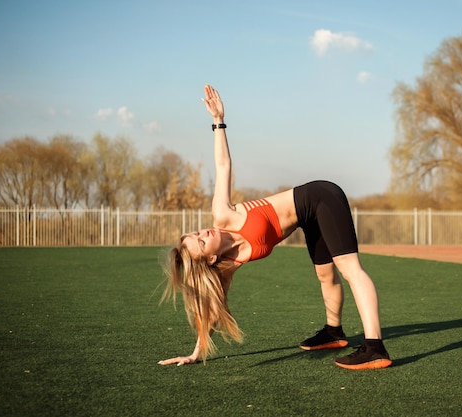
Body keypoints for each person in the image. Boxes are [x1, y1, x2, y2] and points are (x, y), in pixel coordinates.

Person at [157, 85, 392, 370]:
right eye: (202, 242)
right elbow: (211, 306)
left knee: (350, 269)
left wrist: (218, 120)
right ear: (210, 259)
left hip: (321, 197)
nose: (203, 233)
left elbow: (223, 164)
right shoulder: (229, 264)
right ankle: (334, 332)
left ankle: (375, 347)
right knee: (325, 275)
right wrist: (195, 353)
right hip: (309, 218)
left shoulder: (223, 215)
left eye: (197, 233)